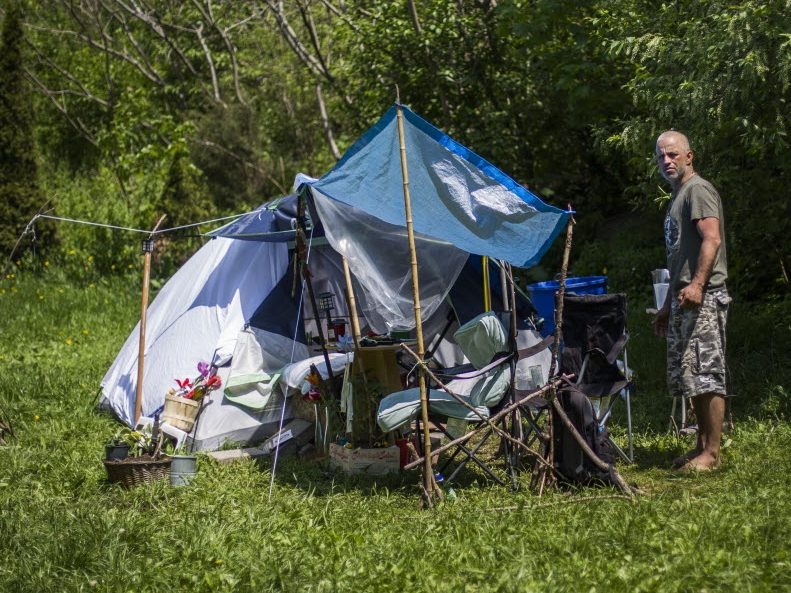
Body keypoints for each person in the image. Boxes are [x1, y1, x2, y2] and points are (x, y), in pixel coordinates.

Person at [652, 130, 730, 471]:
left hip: (705, 296)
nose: (667, 161)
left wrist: (698, 286)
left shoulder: (697, 190)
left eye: (672, 155)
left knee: (707, 373)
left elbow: (711, 239)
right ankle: (701, 445)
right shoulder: (679, 195)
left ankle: (712, 454)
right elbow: (677, 259)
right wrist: (668, 306)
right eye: (661, 157)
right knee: (691, 374)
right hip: (684, 297)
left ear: (689, 156)